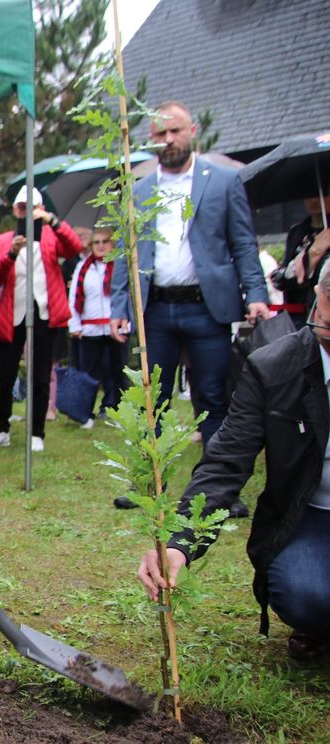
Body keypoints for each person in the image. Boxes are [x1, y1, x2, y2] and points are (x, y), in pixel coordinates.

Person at [137, 270, 330, 660]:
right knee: (306, 595)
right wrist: (179, 543)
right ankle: (317, 623)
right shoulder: (274, 367)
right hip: (310, 513)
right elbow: (226, 461)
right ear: (318, 295)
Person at [110, 101, 269, 450]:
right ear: (150, 139)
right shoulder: (137, 190)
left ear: (192, 131)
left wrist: (256, 294)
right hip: (155, 309)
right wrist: (119, 306)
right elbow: (125, 252)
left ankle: (217, 484)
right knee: (153, 398)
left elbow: (244, 243)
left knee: (214, 394)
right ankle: (153, 485)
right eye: (159, 133)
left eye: (175, 131)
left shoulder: (225, 182)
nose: (168, 139)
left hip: (207, 308)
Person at [0, 186, 83, 453]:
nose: (27, 212)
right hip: (12, 313)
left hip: (43, 312)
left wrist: (53, 222)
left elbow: (74, 248)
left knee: (40, 375)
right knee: (5, 375)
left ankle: (37, 432)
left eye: (32, 207)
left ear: (41, 209)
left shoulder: (51, 235)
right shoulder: (4, 240)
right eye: (22, 207)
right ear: (16, 210)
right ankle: (0, 429)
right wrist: (12, 254)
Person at [67, 228, 124, 425]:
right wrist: (74, 324)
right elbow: (74, 295)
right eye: (96, 242)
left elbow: (127, 294)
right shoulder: (83, 267)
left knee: (116, 370)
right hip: (89, 328)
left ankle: (113, 409)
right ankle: (85, 413)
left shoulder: (120, 265)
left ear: (112, 243)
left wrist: (128, 321)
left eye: (105, 241)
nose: (100, 246)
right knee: (88, 373)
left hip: (115, 327)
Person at [273, 194, 330, 328]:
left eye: (323, 195)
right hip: (300, 318)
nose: (315, 200)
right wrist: (312, 253)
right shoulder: (298, 232)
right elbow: (283, 279)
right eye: (310, 195)